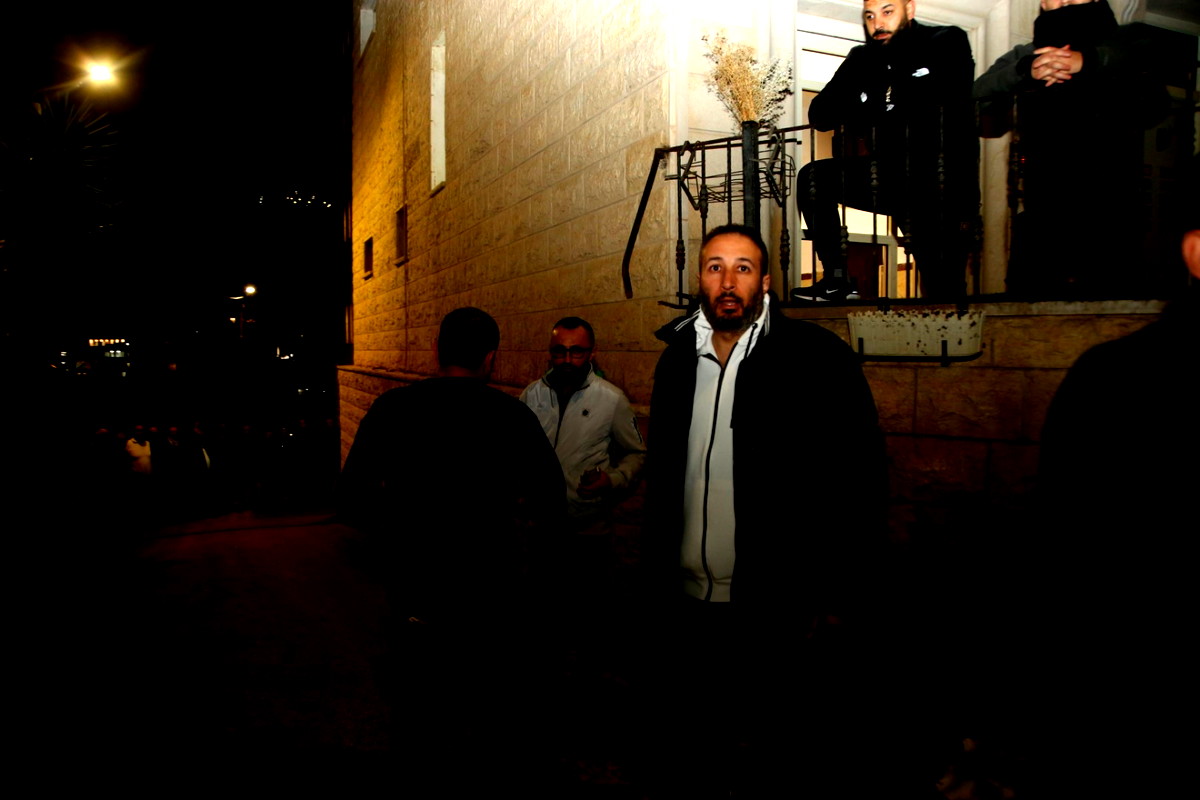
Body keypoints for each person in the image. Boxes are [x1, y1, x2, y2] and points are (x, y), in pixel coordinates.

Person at [644, 223, 887, 793]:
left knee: (776, 751)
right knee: (693, 744)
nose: (728, 282)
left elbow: (860, 480)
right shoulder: (676, 361)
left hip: (775, 607)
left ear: (767, 282)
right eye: (715, 267)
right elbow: (663, 478)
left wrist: (841, 595)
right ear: (699, 277)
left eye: (743, 268)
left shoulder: (815, 358)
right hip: (685, 607)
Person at [337, 307, 565, 783]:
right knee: (486, 719)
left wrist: (394, 538)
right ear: (491, 358)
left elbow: (353, 496)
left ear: (437, 350)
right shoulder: (511, 416)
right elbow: (551, 500)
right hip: (489, 596)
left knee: (420, 720)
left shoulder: (393, 409)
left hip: (417, 594)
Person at [973, 0, 1165, 295]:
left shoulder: (1128, 39)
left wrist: (1087, 61)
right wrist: (1026, 70)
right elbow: (978, 94)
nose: (1064, 1)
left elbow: (1154, 101)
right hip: (1044, 210)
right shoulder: (1026, 53)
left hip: (1110, 210)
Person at [796, 0, 978, 302]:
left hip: (939, 183)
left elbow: (947, 97)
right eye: (870, 15)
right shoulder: (862, 57)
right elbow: (820, 114)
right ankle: (837, 280)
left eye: (887, 11)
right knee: (814, 177)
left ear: (910, 9)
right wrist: (874, 103)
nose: (877, 22)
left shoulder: (946, 40)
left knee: (942, 286)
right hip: (889, 175)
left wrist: (870, 101)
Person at [519, 316, 646, 533]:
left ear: (592, 353)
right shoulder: (531, 395)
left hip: (588, 524)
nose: (567, 359)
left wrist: (613, 479)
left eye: (576, 351)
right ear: (550, 352)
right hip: (538, 522)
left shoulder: (612, 399)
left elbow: (637, 453)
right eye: (559, 351)